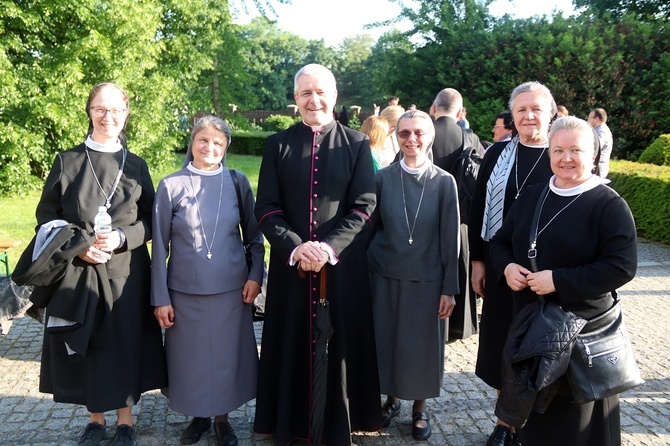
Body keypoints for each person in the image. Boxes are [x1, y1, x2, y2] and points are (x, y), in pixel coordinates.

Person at [18, 82, 167, 445]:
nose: (108, 116)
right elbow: (46, 219)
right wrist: (79, 246)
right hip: (79, 270)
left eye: (116, 109)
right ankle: (96, 421)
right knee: (91, 345)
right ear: (89, 112)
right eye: (100, 108)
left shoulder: (136, 165)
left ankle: (126, 422)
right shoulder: (67, 161)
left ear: (126, 115)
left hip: (126, 272)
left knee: (125, 344)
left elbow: (153, 220)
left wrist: (120, 238)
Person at [253, 63, 382, 446]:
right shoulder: (278, 144)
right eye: (306, 93)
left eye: (321, 91)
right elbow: (267, 208)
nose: (314, 99)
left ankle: (338, 424)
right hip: (291, 267)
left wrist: (327, 248)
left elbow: (364, 206)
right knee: (290, 340)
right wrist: (296, 246)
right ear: (295, 99)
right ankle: (290, 424)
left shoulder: (357, 144)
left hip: (341, 269)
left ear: (334, 95)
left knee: (340, 342)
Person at [489, 116, 637, 445]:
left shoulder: (608, 205)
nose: (565, 158)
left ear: (594, 153)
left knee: (578, 429)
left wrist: (558, 280)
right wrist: (508, 268)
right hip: (533, 331)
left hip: (582, 335)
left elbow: (621, 266)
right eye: (558, 150)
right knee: (537, 423)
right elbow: (499, 242)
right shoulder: (532, 196)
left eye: (575, 150)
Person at [151, 116, 264, 446]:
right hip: (184, 292)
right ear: (192, 143)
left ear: (226, 147)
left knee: (227, 358)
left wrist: (256, 276)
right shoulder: (171, 185)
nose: (210, 147)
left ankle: (222, 420)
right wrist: (161, 297)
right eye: (203, 140)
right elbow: (159, 246)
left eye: (218, 142)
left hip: (232, 290)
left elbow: (255, 237)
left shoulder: (237, 181)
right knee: (192, 360)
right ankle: (199, 416)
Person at [469, 81, 556, 446]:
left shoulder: (562, 152)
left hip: (546, 275)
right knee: (504, 347)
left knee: (540, 349)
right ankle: (505, 423)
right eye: (521, 110)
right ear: (512, 115)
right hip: (502, 267)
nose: (529, 116)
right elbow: (478, 210)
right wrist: (477, 261)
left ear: (550, 112)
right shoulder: (496, 155)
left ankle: (535, 425)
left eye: (536, 108)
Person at [368, 110, 460, 441]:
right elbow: (369, 231)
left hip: (428, 279)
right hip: (385, 275)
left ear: (430, 136)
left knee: (423, 347)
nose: (412, 140)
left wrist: (449, 288)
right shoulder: (382, 178)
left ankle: (419, 408)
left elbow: (451, 241)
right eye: (405, 133)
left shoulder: (444, 182)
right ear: (397, 137)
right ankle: (390, 401)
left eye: (418, 133)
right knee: (388, 342)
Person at [429, 87, 483, 340]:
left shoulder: (421, 134)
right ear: (460, 112)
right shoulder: (470, 138)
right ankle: (457, 325)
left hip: (423, 220)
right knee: (457, 268)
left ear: (433, 108)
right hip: (460, 221)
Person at [587, 107, 613, 178]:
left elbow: (595, 148)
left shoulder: (602, 132)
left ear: (597, 119)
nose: (587, 120)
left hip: (598, 168)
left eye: (589, 118)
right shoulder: (596, 130)